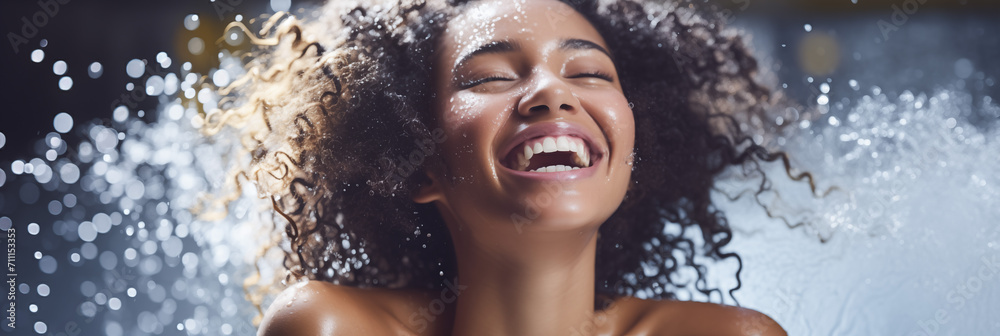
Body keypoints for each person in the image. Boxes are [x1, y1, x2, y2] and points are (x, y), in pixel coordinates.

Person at [212, 0, 796, 334]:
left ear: (631, 156)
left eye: (590, 74)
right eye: (490, 78)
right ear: (416, 165)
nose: (551, 93)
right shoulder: (330, 329)